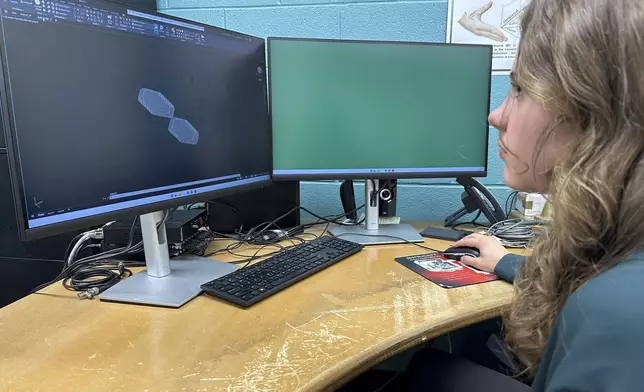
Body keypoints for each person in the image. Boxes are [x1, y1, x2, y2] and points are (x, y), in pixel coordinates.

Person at [402, 0, 644, 390]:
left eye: (519, 89)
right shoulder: (624, 249)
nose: (495, 116)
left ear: (593, 109)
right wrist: (505, 262)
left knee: (427, 370)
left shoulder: (617, 314)